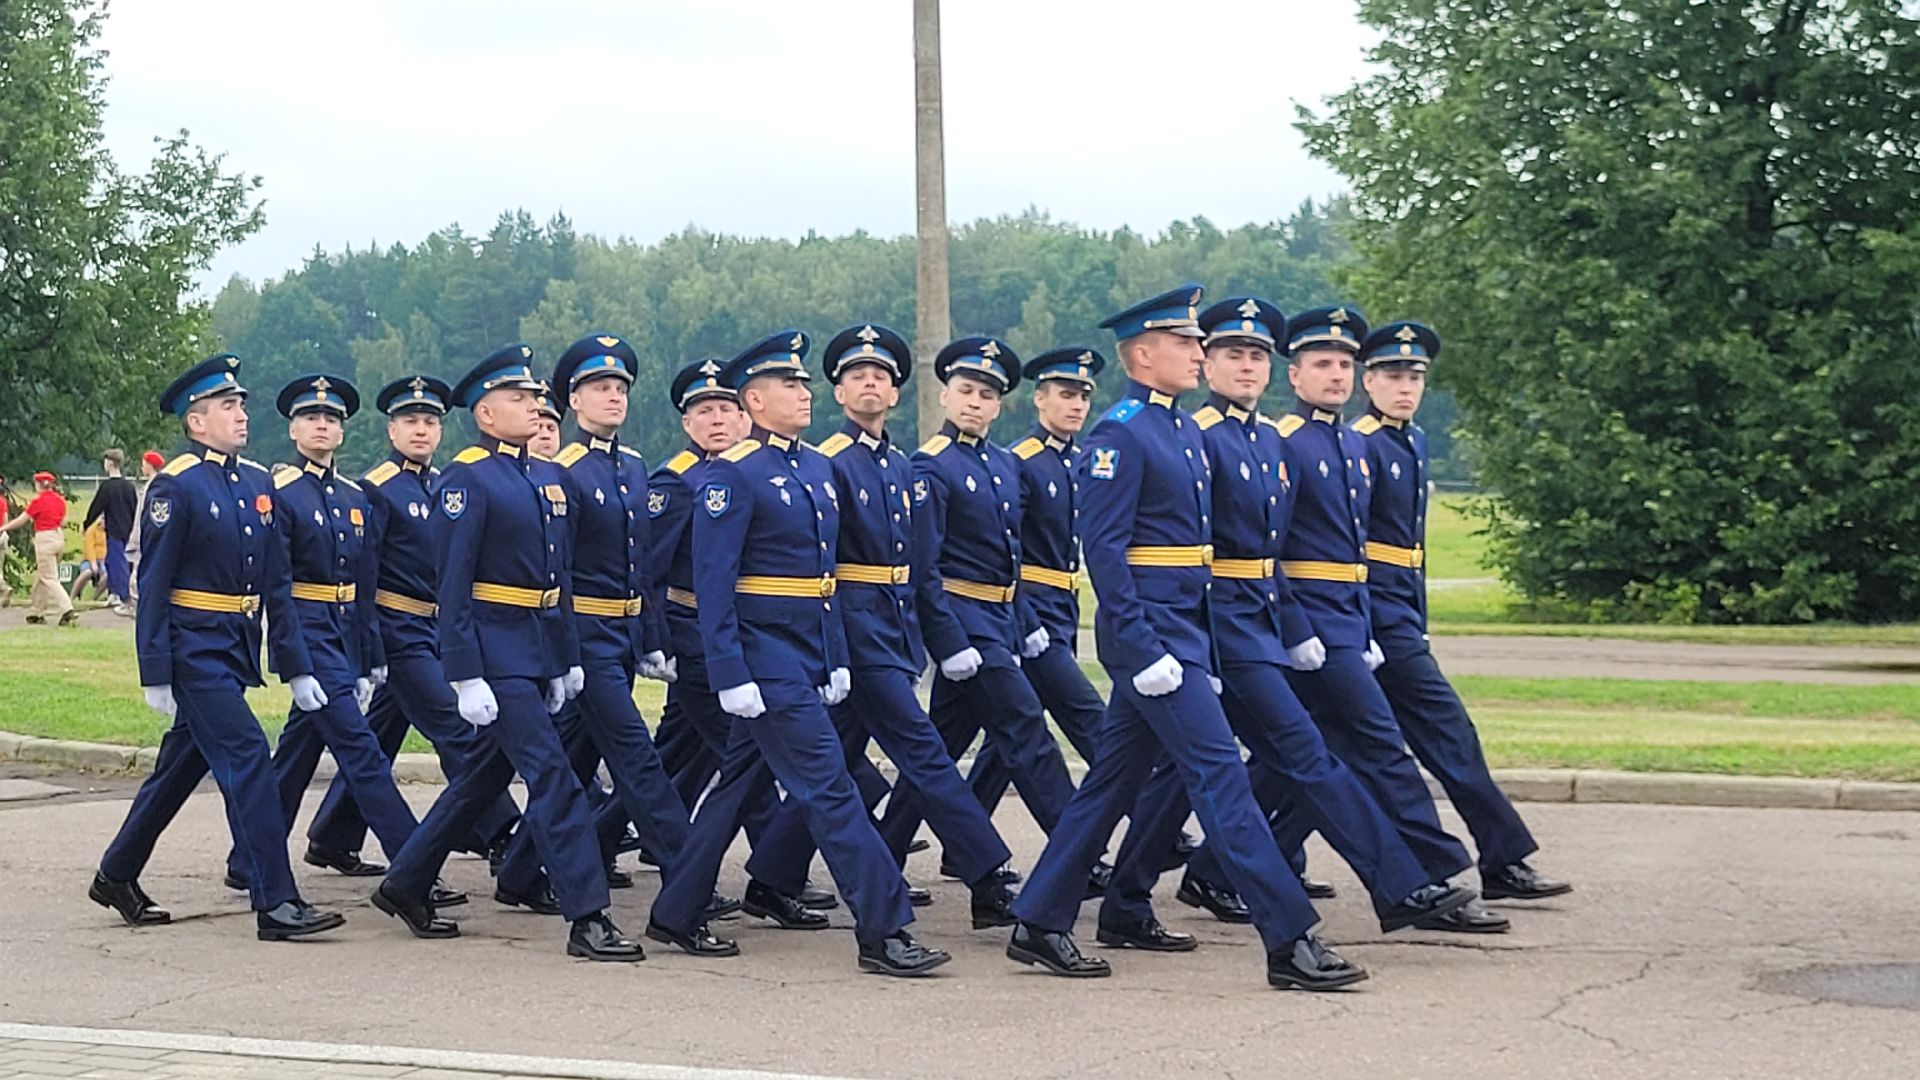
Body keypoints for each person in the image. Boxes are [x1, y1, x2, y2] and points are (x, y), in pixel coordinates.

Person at [1003, 285, 1367, 990]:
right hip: (1154, 645)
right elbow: (1105, 555)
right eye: (1186, 343)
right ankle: (1290, 940)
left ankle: (1040, 920)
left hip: (1186, 639)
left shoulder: (1181, 431)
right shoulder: (1121, 432)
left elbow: (1197, 552)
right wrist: (1145, 652)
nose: (1200, 353)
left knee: (1107, 787)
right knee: (1222, 780)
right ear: (1144, 355)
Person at [1101, 296, 1475, 941]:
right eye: (1226, 353)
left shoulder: (1254, 440)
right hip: (1212, 631)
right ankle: (1389, 890)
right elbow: (1167, 550)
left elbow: (1274, 547)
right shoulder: (1186, 435)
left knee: (1149, 776)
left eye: (1255, 356)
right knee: (1294, 756)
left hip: (1256, 625)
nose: (1244, 367)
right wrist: (1173, 643)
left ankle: (1116, 900)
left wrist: (1298, 629)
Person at [645, 329, 948, 976]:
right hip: (762, 659)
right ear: (754, 399)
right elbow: (713, 582)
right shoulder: (731, 476)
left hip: (807, 652)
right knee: (830, 787)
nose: (804, 393)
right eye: (789, 385)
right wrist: (729, 671)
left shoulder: (814, 467)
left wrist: (835, 658)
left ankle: (674, 911)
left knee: (734, 788)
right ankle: (883, 927)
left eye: (805, 383)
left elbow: (825, 579)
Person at [371, 343, 640, 962]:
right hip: (493, 653)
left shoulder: (546, 475)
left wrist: (565, 658)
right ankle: (589, 916)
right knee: (554, 777)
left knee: (481, 777)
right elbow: (453, 583)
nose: (533, 406)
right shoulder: (468, 478)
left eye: (535, 398)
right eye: (518, 399)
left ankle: (406, 881)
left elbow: (557, 580)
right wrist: (465, 673)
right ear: (486, 414)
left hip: (536, 647)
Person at [746, 322, 1019, 925]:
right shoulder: (828, 463)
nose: (870, 384)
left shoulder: (899, 464)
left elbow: (919, 565)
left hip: (892, 629)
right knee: (925, 751)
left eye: (882, 377)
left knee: (840, 758)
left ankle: (771, 875)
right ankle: (989, 875)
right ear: (838, 394)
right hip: (852, 630)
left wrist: (935, 637)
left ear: (896, 394)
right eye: (855, 376)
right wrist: (835, 648)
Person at [90, 353, 345, 940]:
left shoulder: (258, 482)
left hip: (233, 647)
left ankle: (115, 872)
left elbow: (277, 583)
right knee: (250, 755)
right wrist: (155, 669)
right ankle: (275, 901)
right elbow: (152, 584)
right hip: (191, 649)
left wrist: (295, 663)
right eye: (227, 407)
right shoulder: (176, 486)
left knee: (180, 768)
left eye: (241, 405)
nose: (241, 415)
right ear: (196, 422)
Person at [1271, 305, 1505, 932]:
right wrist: (1299, 631)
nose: (1337, 375)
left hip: (1355, 619)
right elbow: (1272, 551)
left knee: (1308, 756)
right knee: (1380, 746)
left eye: (1345, 364)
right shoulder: (1285, 443)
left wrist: (1370, 625)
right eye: (1324, 364)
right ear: (1294, 375)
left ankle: (1208, 872)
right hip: (1315, 625)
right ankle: (1429, 876)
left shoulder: (1349, 444)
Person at [1353, 320, 1572, 903]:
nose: (1406, 387)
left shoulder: (1411, 440)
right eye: (1393, 376)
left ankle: (1220, 872)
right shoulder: (1361, 445)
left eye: (1415, 377)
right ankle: (1500, 857)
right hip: (1373, 615)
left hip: (1400, 606)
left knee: (1342, 753)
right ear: (1367, 380)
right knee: (1447, 734)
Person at [302, 375, 514, 888]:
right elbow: (363, 571)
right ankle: (505, 831)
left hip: (435, 625)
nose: (421, 431)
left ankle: (334, 833)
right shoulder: (377, 489)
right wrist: (367, 644)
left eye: (430, 422)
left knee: (380, 732)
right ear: (391, 430)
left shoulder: (440, 483)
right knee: (458, 727)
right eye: (410, 422)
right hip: (397, 629)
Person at [219, 375, 424, 900]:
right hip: (307, 632)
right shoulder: (282, 493)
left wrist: (369, 654)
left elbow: (364, 582)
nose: (322, 426)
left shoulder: (355, 495)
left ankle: (247, 858)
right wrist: (296, 663)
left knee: (296, 752)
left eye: (331, 419)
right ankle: (414, 864)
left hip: (343, 631)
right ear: (293, 429)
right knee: (361, 751)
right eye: (311, 417)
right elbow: (278, 586)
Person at [878, 336, 1078, 858]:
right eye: (965, 390)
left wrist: (1026, 621)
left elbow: (1011, 557)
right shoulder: (931, 465)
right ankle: (1077, 850)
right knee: (1026, 726)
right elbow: (925, 566)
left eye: (987, 395)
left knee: (940, 746)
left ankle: (885, 848)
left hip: (1001, 616)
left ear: (999, 404)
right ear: (944, 396)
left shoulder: (1005, 464)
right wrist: (947, 641)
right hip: (963, 621)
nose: (975, 402)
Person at [957, 347, 1116, 885]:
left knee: (996, 735)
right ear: (1039, 399)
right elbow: (1005, 549)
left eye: (1083, 397)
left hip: (1060, 605)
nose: (1075, 405)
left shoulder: (1078, 460)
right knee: (1083, 717)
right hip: (1023, 607)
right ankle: (1128, 826)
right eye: (1065, 395)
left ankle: (963, 840)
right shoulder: (1021, 460)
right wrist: (1024, 617)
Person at [4, 471, 78, 626]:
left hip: (44, 539)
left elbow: (22, 520)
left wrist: (4, 528)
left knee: (49, 578)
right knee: (42, 576)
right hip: (58, 537)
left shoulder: (38, 502)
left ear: (38, 484)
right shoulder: (60, 501)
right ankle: (36, 611)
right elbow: (63, 521)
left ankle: (67, 608)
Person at [84, 448, 138, 608]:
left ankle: (124, 597)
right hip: (128, 529)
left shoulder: (107, 487)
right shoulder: (129, 486)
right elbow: (135, 508)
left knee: (117, 563)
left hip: (114, 529)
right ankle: (114, 593)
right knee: (111, 562)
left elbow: (96, 507)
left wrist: (87, 523)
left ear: (110, 463)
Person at [123, 451, 166, 613]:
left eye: (144, 463)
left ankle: (137, 606)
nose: (142, 467)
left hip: (145, 535)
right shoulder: (151, 485)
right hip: (143, 534)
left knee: (139, 572)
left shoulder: (154, 487)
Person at [70, 519, 108, 604]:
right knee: (86, 573)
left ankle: (95, 598)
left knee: (107, 575)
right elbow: (89, 548)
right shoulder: (92, 530)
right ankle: (72, 598)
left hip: (104, 559)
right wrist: (93, 563)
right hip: (89, 560)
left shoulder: (111, 532)